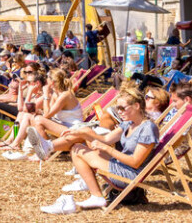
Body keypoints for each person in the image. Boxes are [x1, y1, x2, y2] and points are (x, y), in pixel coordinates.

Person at [37, 85, 159, 213]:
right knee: (77, 147)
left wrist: (107, 149)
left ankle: (96, 196)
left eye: (123, 108)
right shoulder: (129, 123)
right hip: (121, 165)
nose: (120, 112)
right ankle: (49, 146)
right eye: (118, 109)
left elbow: (135, 162)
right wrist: (82, 133)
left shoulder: (147, 128)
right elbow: (106, 139)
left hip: (129, 175)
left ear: (137, 106)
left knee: (77, 150)